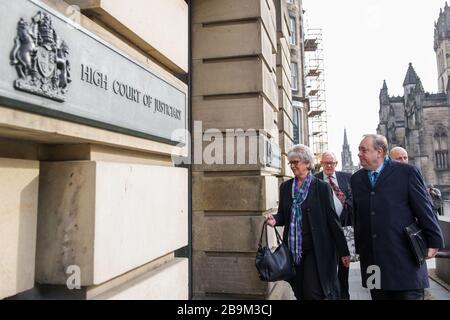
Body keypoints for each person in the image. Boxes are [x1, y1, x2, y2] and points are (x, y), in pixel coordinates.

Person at [351, 134, 444, 300]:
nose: (359, 154)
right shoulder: (356, 179)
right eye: (359, 150)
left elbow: (424, 209)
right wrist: (359, 248)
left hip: (404, 258)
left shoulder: (407, 172)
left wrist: (434, 240)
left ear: (379, 152)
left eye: (363, 150)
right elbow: (358, 216)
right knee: (377, 295)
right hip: (373, 262)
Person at [266, 144, 351, 300]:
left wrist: (344, 251)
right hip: (292, 250)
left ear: (307, 163)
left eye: (295, 162)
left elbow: (333, 221)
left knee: (313, 292)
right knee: (299, 291)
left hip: (316, 249)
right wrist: (274, 219)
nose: (292, 166)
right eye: (290, 163)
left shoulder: (321, 187)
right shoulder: (286, 187)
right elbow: (283, 216)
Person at [315, 151, 353, 300]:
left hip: (344, 230)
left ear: (336, 164)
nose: (329, 165)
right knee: (326, 269)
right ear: (321, 164)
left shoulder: (347, 177)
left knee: (344, 268)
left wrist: (346, 208)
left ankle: (344, 296)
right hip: (324, 233)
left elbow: (352, 197)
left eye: (332, 163)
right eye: (326, 163)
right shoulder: (314, 180)